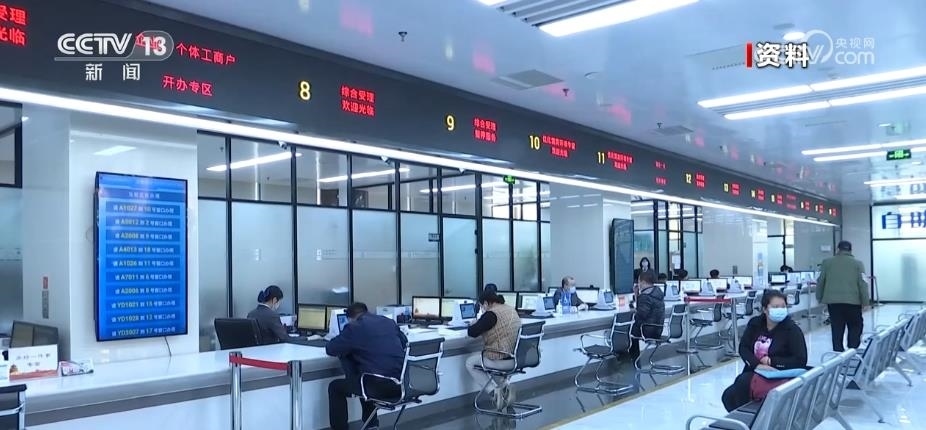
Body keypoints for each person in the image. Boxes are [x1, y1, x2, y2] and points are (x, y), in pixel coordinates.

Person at [721, 290, 807, 411]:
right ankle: (747, 419)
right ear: (765, 309)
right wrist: (756, 365)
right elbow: (744, 348)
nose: (780, 310)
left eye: (783, 306)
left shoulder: (792, 330)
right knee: (728, 396)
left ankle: (752, 418)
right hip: (755, 371)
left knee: (742, 384)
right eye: (775, 307)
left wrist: (772, 362)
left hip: (779, 375)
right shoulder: (755, 324)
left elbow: (800, 360)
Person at [326, 303, 407, 430]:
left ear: (350, 318)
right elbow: (404, 342)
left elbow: (331, 349)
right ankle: (371, 425)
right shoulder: (388, 322)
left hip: (377, 387)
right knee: (365, 373)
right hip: (400, 385)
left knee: (335, 387)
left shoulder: (354, 327)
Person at [465, 291, 522, 410]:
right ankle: (505, 387)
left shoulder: (491, 314)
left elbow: (472, 332)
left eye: (481, 306)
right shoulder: (510, 309)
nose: (482, 309)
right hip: (515, 358)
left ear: (486, 303)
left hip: (500, 359)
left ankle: (495, 393)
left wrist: (474, 323)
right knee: (491, 365)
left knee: (470, 363)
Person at [816, 240, 870, 352]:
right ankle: (852, 349)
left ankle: (838, 352)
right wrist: (865, 302)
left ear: (838, 249)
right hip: (853, 303)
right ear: (850, 250)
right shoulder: (858, 264)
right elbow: (863, 283)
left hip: (834, 303)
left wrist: (819, 297)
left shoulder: (827, 262)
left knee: (837, 328)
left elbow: (820, 281)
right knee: (855, 325)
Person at [630, 272, 665, 357]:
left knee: (628, 331)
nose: (638, 284)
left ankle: (633, 358)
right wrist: (637, 295)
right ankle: (634, 359)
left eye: (639, 281)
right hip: (657, 329)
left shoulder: (645, 296)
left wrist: (632, 314)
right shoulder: (657, 292)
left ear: (643, 282)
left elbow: (640, 316)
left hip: (647, 331)